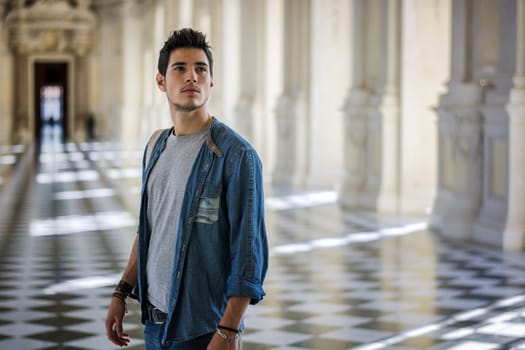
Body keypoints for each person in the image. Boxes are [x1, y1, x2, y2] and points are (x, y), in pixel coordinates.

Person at [105, 28, 269, 350]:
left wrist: (228, 331)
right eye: (179, 68)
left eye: (200, 69)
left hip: (204, 329)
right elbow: (148, 229)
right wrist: (121, 292)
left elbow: (248, 254)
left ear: (211, 81)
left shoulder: (236, 155)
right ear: (161, 81)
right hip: (154, 324)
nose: (191, 76)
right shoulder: (155, 146)